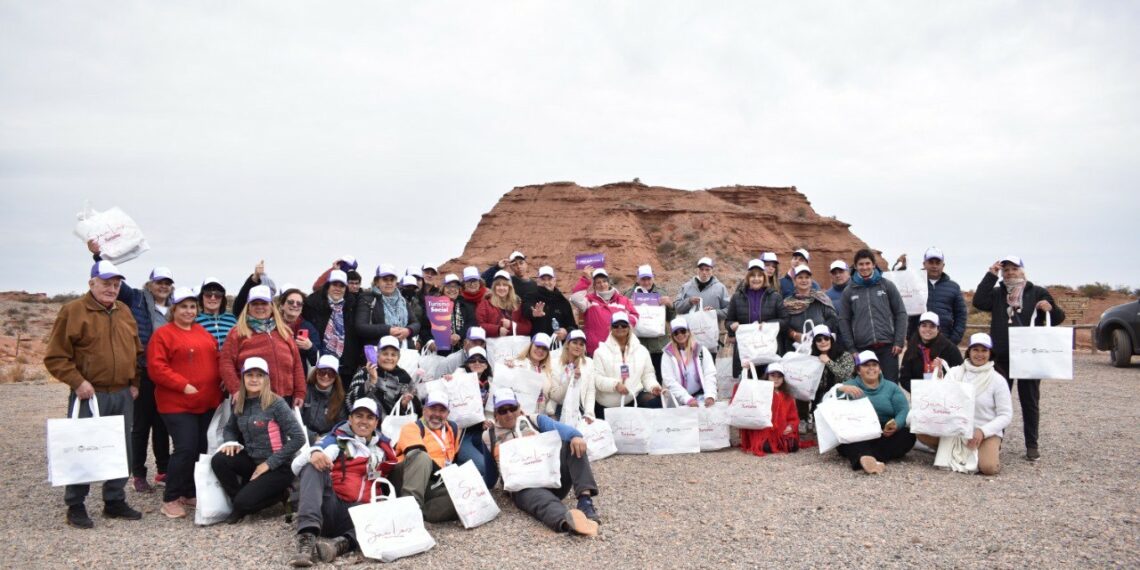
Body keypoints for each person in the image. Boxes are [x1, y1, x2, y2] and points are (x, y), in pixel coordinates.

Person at [44, 260, 144, 528]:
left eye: (116, 284)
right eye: (106, 283)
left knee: (120, 449)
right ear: (91, 283)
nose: (112, 289)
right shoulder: (73, 311)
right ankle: (76, 504)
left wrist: (134, 381)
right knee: (83, 447)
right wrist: (77, 382)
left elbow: (136, 351)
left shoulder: (124, 311)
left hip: (122, 393)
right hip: (89, 394)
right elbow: (55, 357)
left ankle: (114, 500)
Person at [89, 241, 173, 493]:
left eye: (167, 283)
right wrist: (98, 256)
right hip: (143, 370)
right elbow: (115, 282)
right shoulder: (136, 298)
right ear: (150, 284)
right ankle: (138, 473)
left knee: (162, 424)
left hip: (166, 373)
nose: (163, 286)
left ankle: (163, 470)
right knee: (141, 425)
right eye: (159, 282)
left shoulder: (175, 308)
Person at [972, 255, 1064, 461]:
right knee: (996, 402)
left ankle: (1032, 444)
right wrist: (990, 275)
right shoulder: (997, 293)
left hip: (1028, 357)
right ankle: (995, 442)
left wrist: (1051, 308)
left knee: (1029, 401)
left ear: (1022, 270)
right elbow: (979, 301)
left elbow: (1058, 318)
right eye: (1006, 270)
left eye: (1014, 269)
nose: (1010, 273)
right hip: (1002, 356)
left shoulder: (1037, 292)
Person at [146, 287, 225, 518]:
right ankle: (170, 498)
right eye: (183, 307)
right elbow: (157, 367)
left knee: (200, 448)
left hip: (206, 402)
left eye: (192, 307)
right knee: (185, 448)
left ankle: (188, 491)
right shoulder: (163, 334)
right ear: (174, 309)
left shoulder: (202, 332)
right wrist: (182, 384)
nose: (189, 311)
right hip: (177, 404)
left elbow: (216, 357)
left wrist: (223, 377)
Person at [290, 397, 397, 567]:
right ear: (350, 419)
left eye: (370, 417)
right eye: (359, 416)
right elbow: (296, 466)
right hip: (331, 507)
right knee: (312, 466)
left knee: (387, 511)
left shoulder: (384, 449)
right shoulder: (338, 441)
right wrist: (314, 453)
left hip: (359, 515)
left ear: (376, 422)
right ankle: (307, 538)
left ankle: (340, 545)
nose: (364, 421)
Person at [483, 388, 600, 536]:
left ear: (519, 407)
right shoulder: (488, 436)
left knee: (571, 443)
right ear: (495, 414)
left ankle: (585, 501)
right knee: (539, 501)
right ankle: (569, 522)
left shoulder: (535, 420)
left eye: (512, 408)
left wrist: (576, 436)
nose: (509, 414)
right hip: (523, 486)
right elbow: (490, 476)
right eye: (502, 411)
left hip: (553, 478)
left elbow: (562, 429)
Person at [212, 357, 305, 523]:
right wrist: (230, 442)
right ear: (243, 378)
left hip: (278, 467)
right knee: (219, 459)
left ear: (266, 379)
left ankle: (282, 493)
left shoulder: (276, 403)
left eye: (259, 375)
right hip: (253, 462)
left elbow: (299, 438)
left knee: (244, 502)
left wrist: (269, 464)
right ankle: (239, 501)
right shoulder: (240, 403)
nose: (254, 379)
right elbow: (230, 429)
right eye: (250, 375)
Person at [918, 333, 1013, 476]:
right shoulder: (955, 372)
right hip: (956, 428)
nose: (979, 354)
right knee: (921, 431)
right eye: (975, 350)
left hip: (984, 430)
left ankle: (984, 449)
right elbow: (942, 398)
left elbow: (1006, 414)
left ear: (990, 353)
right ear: (969, 351)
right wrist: (938, 375)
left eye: (984, 350)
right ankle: (949, 450)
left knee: (989, 468)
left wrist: (983, 431)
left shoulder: (998, 380)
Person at [220, 285, 307, 408]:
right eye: (255, 303)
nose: (260, 307)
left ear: (271, 306)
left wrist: (300, 392)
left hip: (284, 399)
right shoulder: (237, 332)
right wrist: (236, 389)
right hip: (251, 399)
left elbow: (297, 364)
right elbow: (226, 363)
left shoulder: (284, 331)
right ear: (248, 307)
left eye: (264, 303)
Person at [834, 351, 916, 474]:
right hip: (857, 431)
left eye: (874, 365)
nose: (871, 368)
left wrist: (896, 424)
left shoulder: (891, 387)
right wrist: (840, 389)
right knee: (844, 440)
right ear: (858, 370)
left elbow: (903, 410)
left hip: (884, 432)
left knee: (908, 435)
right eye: (866, 365)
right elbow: (830, 400)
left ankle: (864, 457)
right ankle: (872, 458)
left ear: (879, 368)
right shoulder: (849, 386)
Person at [838, 249, 908, 382]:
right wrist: (852, 349)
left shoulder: (886, 285)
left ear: (874, 265)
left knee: (891, 385)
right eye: (861, 264)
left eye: (867, 263)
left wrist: (899, 341)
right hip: (863, 348)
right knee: (867, 386)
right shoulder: (849, 291)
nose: (864, 267)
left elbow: (901, 313)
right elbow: (843, 320)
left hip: (888, 347)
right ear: (856, 266)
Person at [392, 391, 460, 523]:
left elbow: (453, 459)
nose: (437, 414)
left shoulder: (452, 428)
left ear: (448, 413)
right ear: (424, 410)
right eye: (432, 409)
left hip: (432, 482)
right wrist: (445, 477)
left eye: (442, 410)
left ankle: (421, 514)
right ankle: (409, 509)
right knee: (422, 457)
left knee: (461, 497)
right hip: (406, 478)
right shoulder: (411, 427)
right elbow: (416, 453)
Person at [725, 260, 788, 379]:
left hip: (768, 350)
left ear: (764, 277)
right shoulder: (737, 297)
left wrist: (768, 324)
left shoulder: (775, 297)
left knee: (768, 383)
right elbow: (728, 321)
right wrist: (732, 325)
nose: (756, 279)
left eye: (759, 275)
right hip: (746, 351)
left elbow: (785, 321)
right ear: (748, 277)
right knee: (748, 384)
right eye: (753, 275)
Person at [443, 346, 496, 488]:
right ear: (467, 363)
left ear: (486, 365)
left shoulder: (490, 384)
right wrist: (446, 382)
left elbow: (492, 411)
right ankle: (458, 476)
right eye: (473, 360)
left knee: (493, 468)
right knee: (483, 467)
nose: (477, 363)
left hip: (480, 434)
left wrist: (488, 421)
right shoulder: (456, 379)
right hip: (461, 436)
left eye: (481, 360)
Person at [593, 312, 662, 418]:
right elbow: (597, 378)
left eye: (624, 325)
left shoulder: (641, 350)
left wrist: (653, 387)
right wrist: (615, 385)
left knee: (654, 401)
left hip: (632, 398)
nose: (620, 328)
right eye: (616, 325)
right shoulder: (600, 352)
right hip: (608, 404)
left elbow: (648, 375)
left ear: (629, 327)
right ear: (610, 328)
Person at [898, 248, 969, 345]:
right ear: (924, 264)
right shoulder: (913, 284)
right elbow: (900, 304)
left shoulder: (954, 287)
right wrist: (899, 270)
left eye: (938, 263)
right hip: (916, 341)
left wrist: (953, 340)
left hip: (944, 341)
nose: (934, 266)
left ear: (943, 265)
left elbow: (961, 315)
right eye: (931, 262)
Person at [303, 269, 360, 384]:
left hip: (345, 367)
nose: (338, 289)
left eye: (341, 286)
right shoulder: (313, 305)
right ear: (328, 286)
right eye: (334, 284)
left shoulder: (353, 306)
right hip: (318, 365)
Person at [624, 264, 676, 384]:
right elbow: (621, 320)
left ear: (653, 278)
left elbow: (671, 318)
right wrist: (626, 306)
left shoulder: (662, 293)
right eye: (643, 279)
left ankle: (658, 396)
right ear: (637, 279)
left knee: (658, 379)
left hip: (658, 346)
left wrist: (670, 305)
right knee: (639, 380)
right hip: (637, 346)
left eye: (649, 278)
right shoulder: (629, 295)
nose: (646, 282)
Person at [570, 267, 639, 356]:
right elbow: (575, 298)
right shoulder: (589, 300)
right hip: (595, 350)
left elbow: (635, 315)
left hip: (618, 348)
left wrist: (623, 323)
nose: (602, 285)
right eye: (598, 282)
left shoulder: (622, 300)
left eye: (604, 281)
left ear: (609, 283)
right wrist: (585, 279)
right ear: (594, 286)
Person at [346, 335, 421, 415]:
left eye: (393, 355)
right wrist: (371, 382)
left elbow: (417, 410)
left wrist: (403, 405)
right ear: (377, 355)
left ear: (398, 358)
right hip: (367, 420)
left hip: (394, 422)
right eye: (385, 354)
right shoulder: (366, 372)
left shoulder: (404, 377)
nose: (389, 358)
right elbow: (349, 401)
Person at [736, 363, 799, 457]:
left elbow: (793, 417)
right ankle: (771, 442)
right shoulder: (759, 391)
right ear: (767, 376)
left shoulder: (787, 397)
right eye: (773, 376)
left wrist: (790, 426)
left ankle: (777, 442)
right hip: (764, 431)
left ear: (783, 379)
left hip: (782, 431)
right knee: (766, 447)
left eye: (779, 377)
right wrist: (745, 370)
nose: (776, 379)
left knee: (792, 446)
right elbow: (744, 388)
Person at [355, 264, 420, 350]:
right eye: (385, 279)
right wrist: (388, 330)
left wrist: (408, 331)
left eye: (392, 279)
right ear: (377, 282)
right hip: (378, 351)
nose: (389, 283)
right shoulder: (367, 298)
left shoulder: (403, 301)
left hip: (403, 350)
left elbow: (416, 323)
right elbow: (361, 327)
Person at [673, 257, 730, 354]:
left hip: (710, 338)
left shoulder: (720, 288)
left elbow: (729, 310)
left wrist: (714, 313)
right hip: (689, 338)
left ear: (712, 270)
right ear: (697, 270)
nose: (704, 272)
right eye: (701, 269)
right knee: (691, 363)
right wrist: (689, 301)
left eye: (707, 269)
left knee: (709, 363)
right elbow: (677, 307)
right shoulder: (686, 287)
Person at [898, 311, 964, 393]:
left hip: (945, 395)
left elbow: (960, 374)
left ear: (938, 329)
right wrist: (920, 391)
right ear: (918, 328)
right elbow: (904, 378)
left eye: (932, 326)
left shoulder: (950, 348)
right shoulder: (912, 348)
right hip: (920, 396)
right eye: (924, 326)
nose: (927, 329)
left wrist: (941, 375)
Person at [542, 330, 598, 425]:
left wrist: (589, 414)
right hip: (558, 409)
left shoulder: (589, 363)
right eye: (574, 343)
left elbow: (590, 391)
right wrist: (571, 378)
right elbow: (555, 396)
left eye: (581, 344)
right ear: (567, 344)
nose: (578, 346)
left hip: (580, 409)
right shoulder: (554, 363)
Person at [660, 318, 717, 407]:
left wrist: (710, 396)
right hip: (678, 400)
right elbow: (670, 381)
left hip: (700, 396)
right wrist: (687, 399)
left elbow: (709, 374)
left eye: (683, 331)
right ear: (672, 336)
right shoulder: (668, 355)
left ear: (689, 332)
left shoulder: (701, 350)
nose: (680, 335)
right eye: (676, 333)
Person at [424, 272, 476, 355]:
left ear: (459, 289)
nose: (452, 289)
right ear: (443, 289)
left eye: (455, 286)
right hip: (439, 353)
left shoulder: (466, 306)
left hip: (462, 352)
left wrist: (459, 335)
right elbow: (425, 328)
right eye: (448, 286)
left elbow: (471, 324)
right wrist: (430, 342)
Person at [524, 265, 579, 342]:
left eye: (549, 279)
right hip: (537, 345)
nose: (546, 282)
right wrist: (533, 313)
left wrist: (566, 331)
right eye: (543, 279)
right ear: (538, 281)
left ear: (554, 281)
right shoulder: (530, 296)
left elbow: (572, 326)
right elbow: (526, 310)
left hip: (558, 345)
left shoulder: (563, 301)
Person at [300, 355, 347, 443]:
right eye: (322, 372)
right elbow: (295, 419)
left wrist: (324, 440)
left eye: (331, 373)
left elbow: (341, 426)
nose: (326, 376)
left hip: (326, 442)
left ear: (336, 376)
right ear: (316, 372)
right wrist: (312, 437)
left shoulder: (340, 398)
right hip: (302, 437)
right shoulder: (303, 390)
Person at [808, 325, 855, 413]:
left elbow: (846, 376)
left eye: (826, 338)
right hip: (819, 398)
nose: (823, 342)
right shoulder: (812, 359)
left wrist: (828, 362)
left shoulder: (844, 355)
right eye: (819, 340)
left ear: (831, 340)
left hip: (842, 396)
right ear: (814, 343)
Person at [478, 270, 533, 338]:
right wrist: (497, 330)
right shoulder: (485, 304)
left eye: (505, 285)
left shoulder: (517, 304)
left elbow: (527, 328)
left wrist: (511, 325)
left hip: (513, 343)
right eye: (498, 285)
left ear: (510, 287)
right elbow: (480, 325)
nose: (501, 288)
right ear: (494, 287)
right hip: (492, 343)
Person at [278, 287, 320, 369]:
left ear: (302, 308)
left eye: (299, 303)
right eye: (290, 302)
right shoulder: (272, 325)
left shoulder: (308, 327)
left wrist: (310, 347)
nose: (295, 305)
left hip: (298, 372)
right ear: (282, 305)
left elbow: (316, 361)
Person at [196, 277, 238, 349]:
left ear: (222, 298)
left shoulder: (232, 319)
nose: (213, 298)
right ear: (202, 297)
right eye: (208, 294)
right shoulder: (194, 321)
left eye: (218, 294)